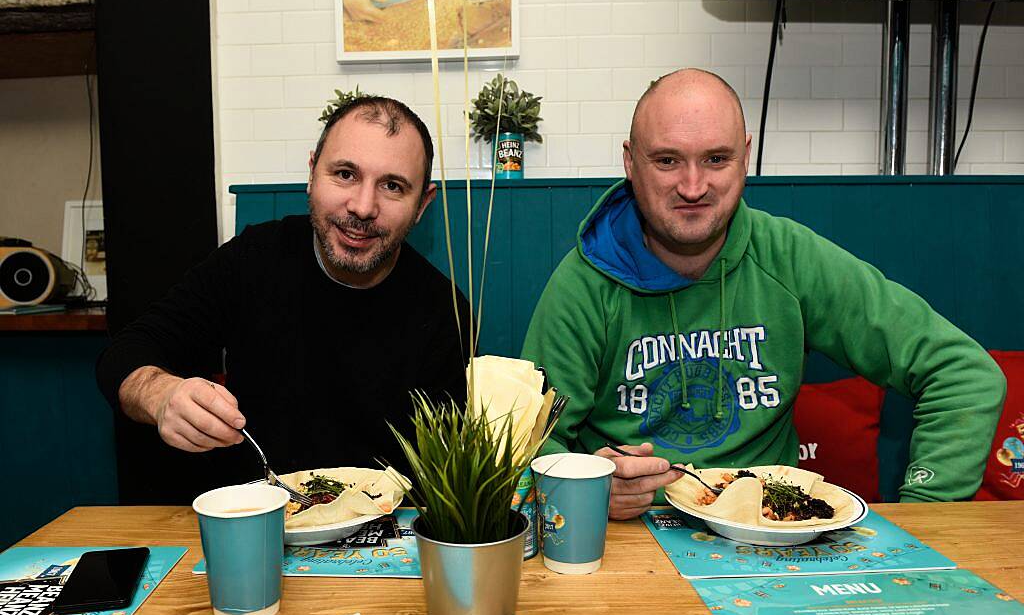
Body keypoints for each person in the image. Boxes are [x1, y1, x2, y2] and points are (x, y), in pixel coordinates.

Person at [521, 68, 1005, 520]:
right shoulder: (584, 281)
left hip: (770, 538)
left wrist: (927, 518)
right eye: (668, 160)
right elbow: (525, 445)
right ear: (631, 162)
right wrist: (586, 486)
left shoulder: (789, 257)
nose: (693, 186)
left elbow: (964, 373)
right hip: (631, 538)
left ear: (745, 156)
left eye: (716, 159)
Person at [97, 96, 469, 499]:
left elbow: (446, 478)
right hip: (253, 523)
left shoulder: (443, 310)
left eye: (392, 186)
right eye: (345, 174)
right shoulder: (254, 259)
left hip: (384, 539)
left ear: (422, 205)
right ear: (312, 173)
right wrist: (162, 394)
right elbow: (125, 353)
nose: (363, 207)